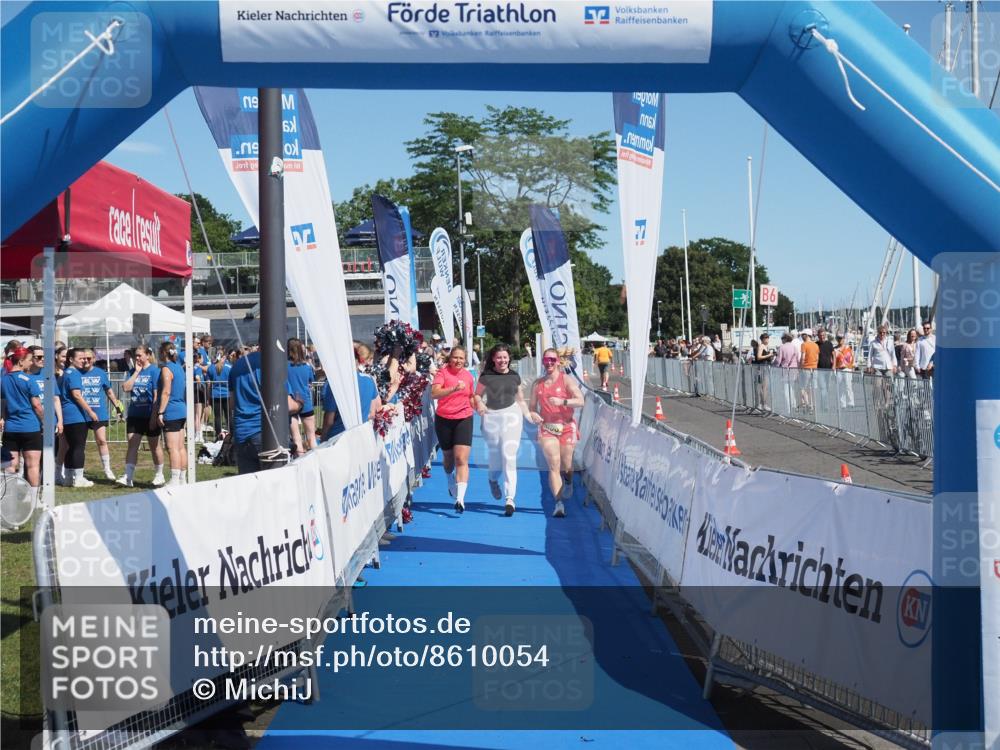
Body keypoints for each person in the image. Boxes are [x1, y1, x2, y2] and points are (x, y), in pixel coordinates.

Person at [528, 347, 584, 518]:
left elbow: (580, 401)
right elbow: (531, 408)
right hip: (548, 428)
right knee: (554, 464)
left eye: (553, 359)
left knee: (567, 464)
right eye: (547, 360)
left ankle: (568, 480)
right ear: (543, 362)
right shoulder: (538, 384)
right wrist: (534, 414)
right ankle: (558, 503)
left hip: (567, 426)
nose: (549, 363)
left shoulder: (566, 380)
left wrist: (563, 401)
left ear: (558, 361)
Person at [474, 344, 530, 516]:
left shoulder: (514, 376)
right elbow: (476, 395)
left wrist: (529, 416)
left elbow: (520, 400)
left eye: (505, 357)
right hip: (491, 416)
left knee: (509, 455)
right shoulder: (486, 376)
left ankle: (510, 498)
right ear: (493, 359)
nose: (502, 360)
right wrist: (481, 405)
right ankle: (492, 479)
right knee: (496, 457)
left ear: (509, 359)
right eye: (499, 357)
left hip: (512, 415)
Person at [228, 350, 304, 474]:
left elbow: (232, 403)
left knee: (250, 487)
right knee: (275, 485)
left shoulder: (237, 365)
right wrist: (300, 404)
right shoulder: (272, 364)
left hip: (242, 435)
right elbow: (288, 406)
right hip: (266, 435)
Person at [431, 346, 476, 513]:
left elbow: (471, 397)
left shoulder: (469, 376)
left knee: (461, 459)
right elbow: (434, 394)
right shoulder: (442, 373)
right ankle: (450, 479)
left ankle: (460, 499)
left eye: (461, 358)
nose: (458, 361)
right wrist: (453, 389)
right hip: (444, 419)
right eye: (455, 358)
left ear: (465, 360)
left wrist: (481, 409)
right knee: (449, 459)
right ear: (450, 359)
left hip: (464, 418)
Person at [1, 348, 45, 501]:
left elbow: (2, 404)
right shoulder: (29, 380)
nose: (31, 362)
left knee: (9, 467)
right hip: (30, 428)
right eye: (29, 359)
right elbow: (37, 406)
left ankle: (8, 500)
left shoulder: (3, 379)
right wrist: (46, 422)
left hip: (11, 429)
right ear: (20, 361)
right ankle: (34, 500)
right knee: (33, 465)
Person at [117, 345, 165, 487]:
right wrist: (136, 373)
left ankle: (159, 474)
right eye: (135, 356)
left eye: (139, 355)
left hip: (150, 413)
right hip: (134, 414)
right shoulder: (133, 371)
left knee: (154, 445)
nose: (137, 358)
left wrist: (154, 416)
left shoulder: (155, 371)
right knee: (132, 444)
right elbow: (126, 388)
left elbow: (157, 394)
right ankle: (128, 476)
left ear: (148, 355)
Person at [80, 348, 125, 480]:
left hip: (98, 412)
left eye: (89, 358)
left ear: (94, 359)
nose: (86, 361)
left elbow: (109, 391)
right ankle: (78, 471)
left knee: (102, 440)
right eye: (84, 358)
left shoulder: (100, 373)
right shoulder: (76, 373)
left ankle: (107, 469)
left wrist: (117, 407)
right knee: (80, 444)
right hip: (81, 413)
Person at [58, 348, 100, 487]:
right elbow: (76, 395)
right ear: (71, 359)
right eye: (80, 358)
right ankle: (79, 478)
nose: (84, 360)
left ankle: (69, 478)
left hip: (67, 415)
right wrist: (90, 411)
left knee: (71, 447)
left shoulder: (65, 374)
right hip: (76, 416)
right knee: (78, 447)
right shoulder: (74, 374)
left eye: (85, 358)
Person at [155, 342, 188, 486]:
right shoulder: (180, 368)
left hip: (172, 411)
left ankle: (174, 480)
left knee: (172, 447)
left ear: (163, 353)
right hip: (181, 409)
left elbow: (166, 391)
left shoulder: (166, 369)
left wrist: (160, 412)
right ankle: (182, 479)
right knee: (181, 447)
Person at [287, 338, 317, 455]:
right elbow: (311, 380)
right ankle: (316, 461)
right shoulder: (307, 366)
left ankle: (299, 461)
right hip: (306, 403)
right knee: (312, 437)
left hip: (291, 403)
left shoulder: (283, 366)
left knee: (296, 438)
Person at [208, 352, 232, 437]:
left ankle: (218, 435)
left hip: (215, 394)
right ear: (223, 357)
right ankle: (231, 435)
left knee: (217, 416)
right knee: (228, 416)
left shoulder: (210, 368)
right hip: (227, 394)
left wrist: (208, 396)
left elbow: (208, 383)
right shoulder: (229, 367)